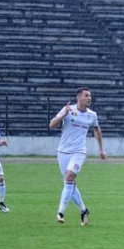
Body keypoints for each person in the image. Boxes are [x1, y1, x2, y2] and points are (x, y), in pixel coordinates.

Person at [49, 87, 105, 225]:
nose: (89, 98)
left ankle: (61, 212)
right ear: (78, 97)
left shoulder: (92, 115)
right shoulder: (68, 109)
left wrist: (101, 149)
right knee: (70, 184)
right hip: (63, 151)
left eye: (90, 96)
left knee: (69, 177)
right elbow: (52, 125)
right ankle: (84, 211)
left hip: (79, 151)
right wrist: (63, 115)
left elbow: (97, 129)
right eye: (86, 95)